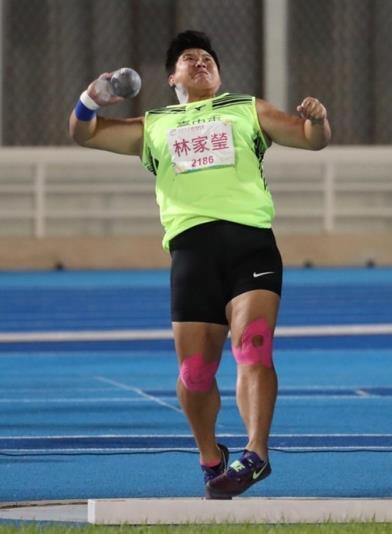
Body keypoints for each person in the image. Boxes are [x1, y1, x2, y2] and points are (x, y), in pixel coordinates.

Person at [69, 30, 330, 498]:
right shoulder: (153, 125)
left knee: (252, 347)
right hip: (191, 254)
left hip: (250, 244)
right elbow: (81, 132)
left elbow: (312, 140)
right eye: (189, 59)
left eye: (207, 57)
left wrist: (317, 121)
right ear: (173, 77)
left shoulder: (247, 109)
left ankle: (256, 454)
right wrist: (95, 95)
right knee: (194, 373)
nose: (200, 62)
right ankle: (212, 456)